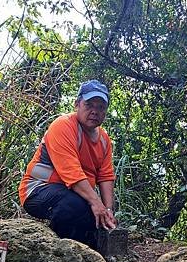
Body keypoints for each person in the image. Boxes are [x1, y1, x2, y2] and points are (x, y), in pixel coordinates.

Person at [18, 79, 117, 250]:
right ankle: (56, 252)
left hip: (72, 192)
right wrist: (96, 203)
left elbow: (106, 176)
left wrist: (108, 210)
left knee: (93, 215)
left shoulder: (104, 140)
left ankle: (88, 256)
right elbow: (72, 173)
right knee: (75, 206)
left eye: (101, 107)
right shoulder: (63, 126)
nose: (95, 111)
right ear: (77, 104)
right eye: (89, 105)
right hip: (38, 190)